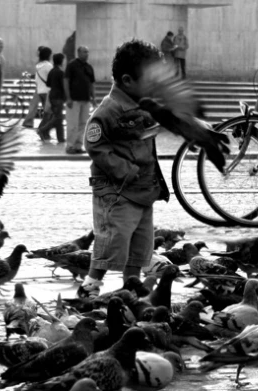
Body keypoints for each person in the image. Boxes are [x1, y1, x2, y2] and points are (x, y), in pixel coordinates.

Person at [77, 39, 170, 298]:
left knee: (140, 243)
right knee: (113, 239)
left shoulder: (142, 104)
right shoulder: (109, 110)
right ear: (128, 81)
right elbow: (95, 144)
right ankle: (90, 286)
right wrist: (122, 168)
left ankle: (132, 287)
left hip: (143, 189)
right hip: (116, 191)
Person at [64, 45, 96, 154]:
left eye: (87, 52)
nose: (86, 54)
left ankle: (78, 146)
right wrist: (68, 97)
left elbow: (91, 83)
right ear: (78, 53)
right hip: (74, 99)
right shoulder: (72, 65)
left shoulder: (89, 67)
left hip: (86, 99)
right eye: (84, 52)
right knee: (73, 124)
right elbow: (66, 81)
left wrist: (94, 98)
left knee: (83, 124)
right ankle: (70, 146)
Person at [37, 52, 66, 144]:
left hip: (52, 96)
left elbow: (48, 84)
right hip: (58, 97)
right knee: (58, 117)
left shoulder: (52, 71)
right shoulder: (61, 72)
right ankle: (43, 129)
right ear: (61, 61)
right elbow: (64, 86)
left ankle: (60, 138)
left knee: (58, 117)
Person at [22, 46, 54, 129]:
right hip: (46, 89)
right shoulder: (48, 65)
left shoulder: (39, 64)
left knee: (36, 105)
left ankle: (31, 122)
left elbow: (37, 76)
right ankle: (44, 126)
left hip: (40, 88)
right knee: (47, 109)